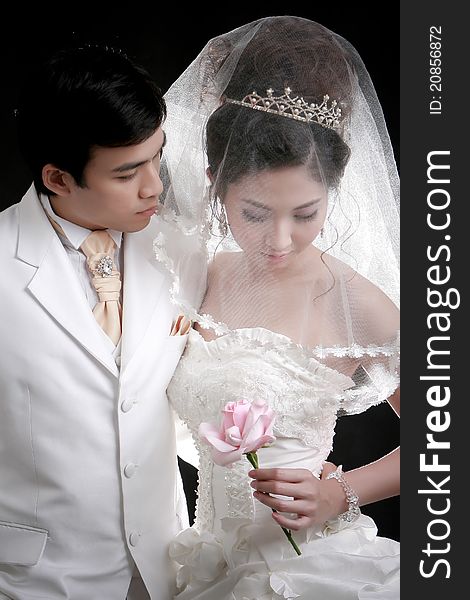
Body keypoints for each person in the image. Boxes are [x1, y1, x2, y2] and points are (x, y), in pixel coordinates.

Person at [155, 16, 400, 599]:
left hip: (315, 570)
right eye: (256, 214)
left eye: (307, 213)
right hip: (208, 562)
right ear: (215, 183)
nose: (281, 240)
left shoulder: (358, 303)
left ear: (333, 191)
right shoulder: (201, 276)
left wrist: (341, 493)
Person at [0, 45, 205, 599]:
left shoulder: (184, 250)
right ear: (58, 178)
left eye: (156, 158)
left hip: (171, 568)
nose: (154, 187)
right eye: (127, 172)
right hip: (37, 579)